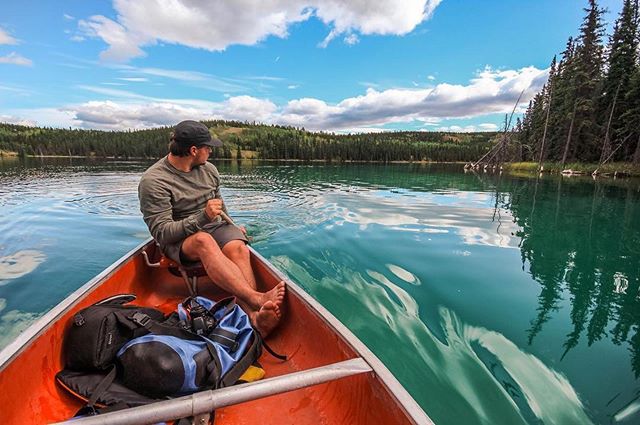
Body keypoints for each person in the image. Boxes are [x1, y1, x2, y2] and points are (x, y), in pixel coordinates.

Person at [138, 120, 285, 336]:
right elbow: (162, 233)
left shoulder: (209, 170)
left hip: (211, 225)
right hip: (179, 240)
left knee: (237, 246)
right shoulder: (154, 181)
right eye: (208, 147)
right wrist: (202, 218)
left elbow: (219, 206)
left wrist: (232, 227)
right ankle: (255, 298)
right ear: (194, 150)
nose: (211, 151)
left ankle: (254, 318)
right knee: (203, 241)